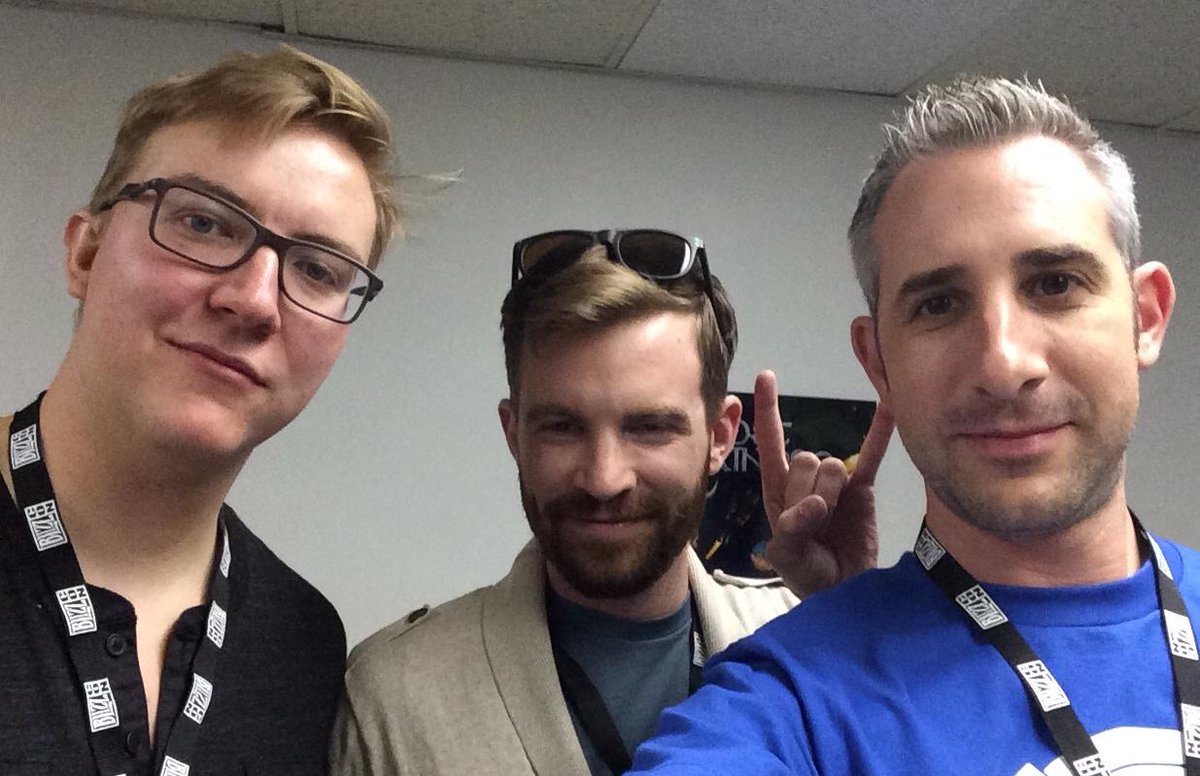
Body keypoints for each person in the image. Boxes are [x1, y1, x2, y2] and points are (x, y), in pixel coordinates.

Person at [628, 75, 1188, 775]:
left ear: (1145, 316)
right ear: (879, 363)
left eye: (1055, 284)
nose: (1003, 364)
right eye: (939, 305)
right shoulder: (791, 704)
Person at [330, 230, 887, 774]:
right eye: (562, 427)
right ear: (514, 434)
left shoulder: (815, 644)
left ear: (720, 437)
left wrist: (863, 625)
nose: (603, 479)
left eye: (649, 427)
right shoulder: (394, 700)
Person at [0, 46, 399, 775]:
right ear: (86, 254)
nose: (253, 300)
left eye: (317, 269)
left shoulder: (303, 644)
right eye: (204, 224)